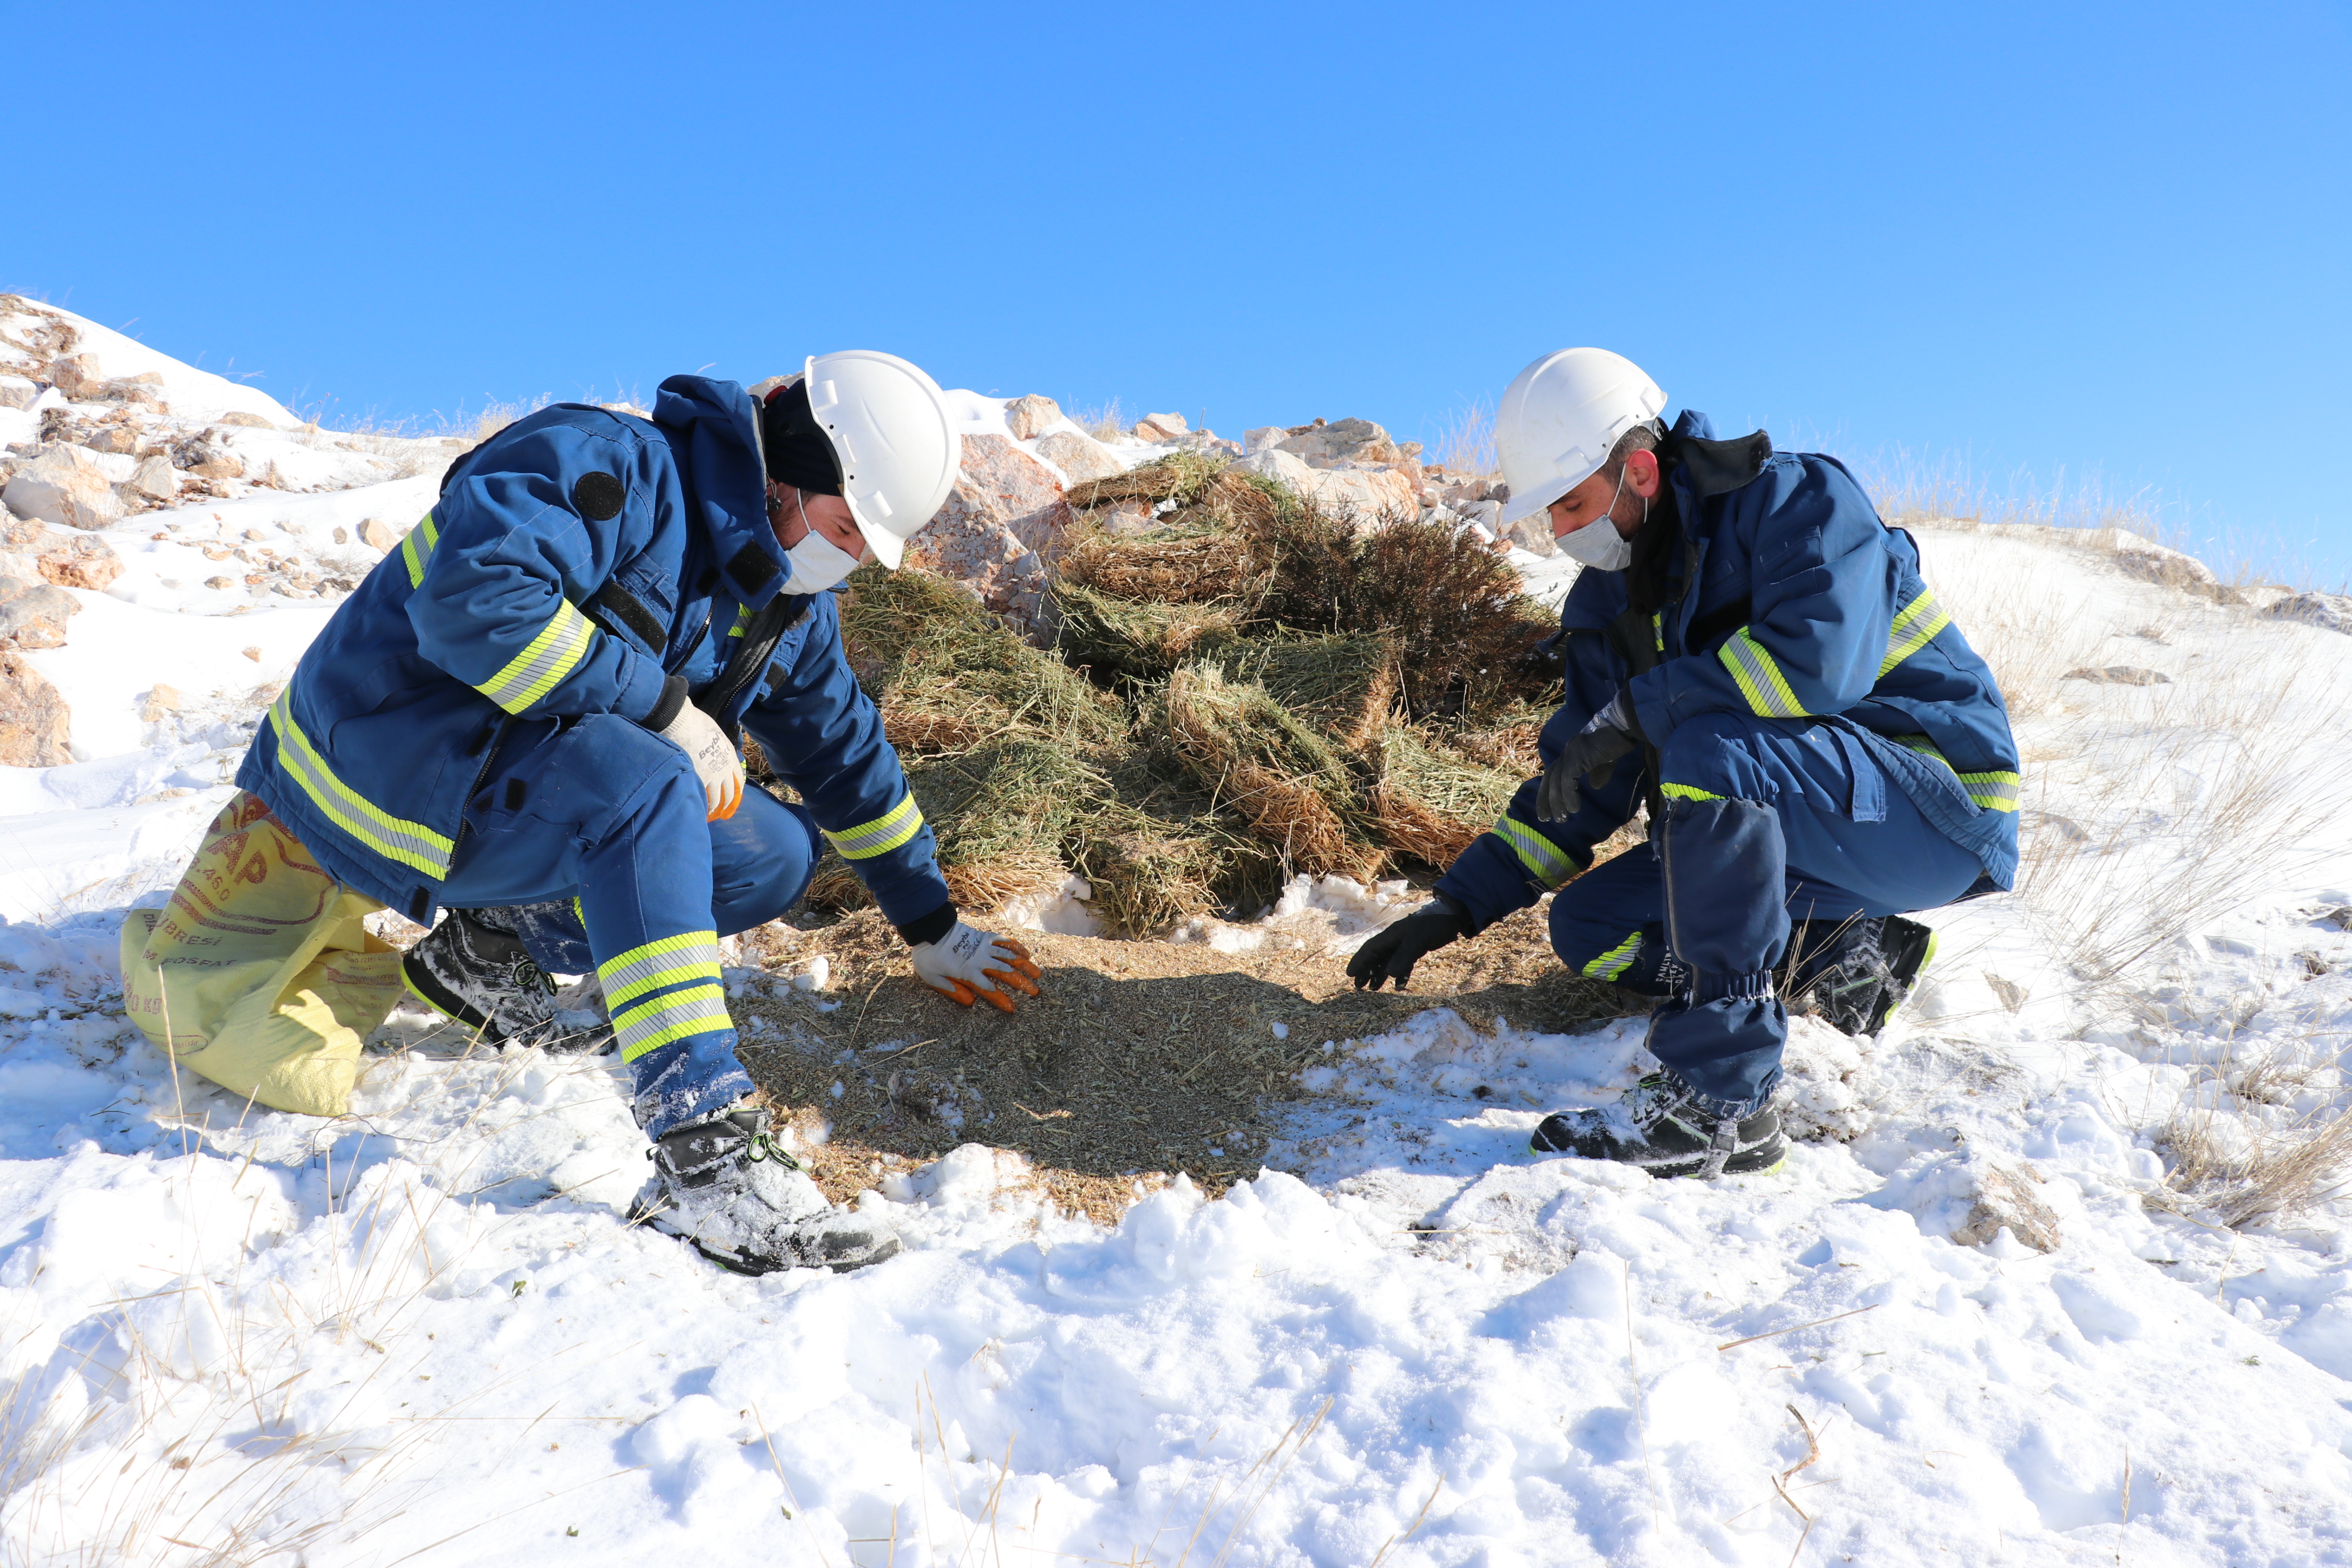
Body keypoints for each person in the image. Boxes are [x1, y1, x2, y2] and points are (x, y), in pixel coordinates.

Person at [129, 352, 1042, 1273]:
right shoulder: (610, 467)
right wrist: (663, 708)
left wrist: (930, 924)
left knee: (769, 854)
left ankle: (489, 952)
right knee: (648, 783)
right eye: (845, 528)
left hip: (496, 795)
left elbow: (846, 755)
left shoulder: (785, 601)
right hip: (378, 764)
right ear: (789, 474)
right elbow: (474, 605)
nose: (848, 559)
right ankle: (705, 1159)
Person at [1348, 348, 2018, 1178]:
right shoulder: (1612, 603)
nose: (1562, 533)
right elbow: (1581, 780)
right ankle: (1841, 951)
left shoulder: (1795, 501)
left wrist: (1643, 710)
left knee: (1706, 749)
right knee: (1590, 928)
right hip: (1824, 830)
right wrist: (1457, 906)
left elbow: (1818, 666)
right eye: (1551, 515)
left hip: (1938, 806)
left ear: (1638, 471)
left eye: (1571, 504)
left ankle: (1722, 1100)